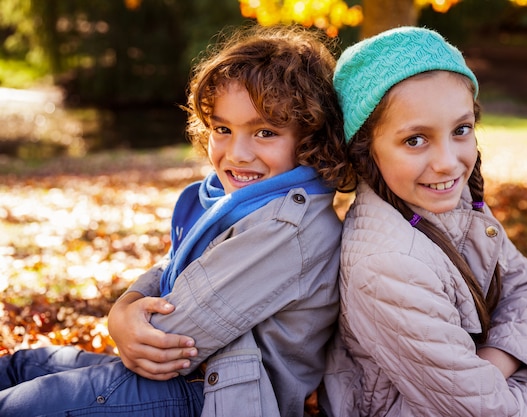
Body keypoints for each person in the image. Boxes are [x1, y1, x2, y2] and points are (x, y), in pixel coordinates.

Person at [0, 24, 354, 417]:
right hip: (180, 379)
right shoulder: (239, 202)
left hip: (210, 398)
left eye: (265, 132)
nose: (237, 153)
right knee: (22, 366)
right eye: (223, 129)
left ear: (310, 138)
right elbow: (172, 266)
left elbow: (168, 337)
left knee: (27, 406)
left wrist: (129, 322)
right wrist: (125, 308)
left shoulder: (288, 228)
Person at [319, 26, 527, 417]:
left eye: (461, 130)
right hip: (441, 408)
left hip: (483, 366)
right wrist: (501, 365)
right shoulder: (385, 263)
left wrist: (498, 358)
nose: (448, 162)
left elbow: (526, 289)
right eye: (416, 139)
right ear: (364, 151)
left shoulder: (449, 198)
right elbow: (482, 409)